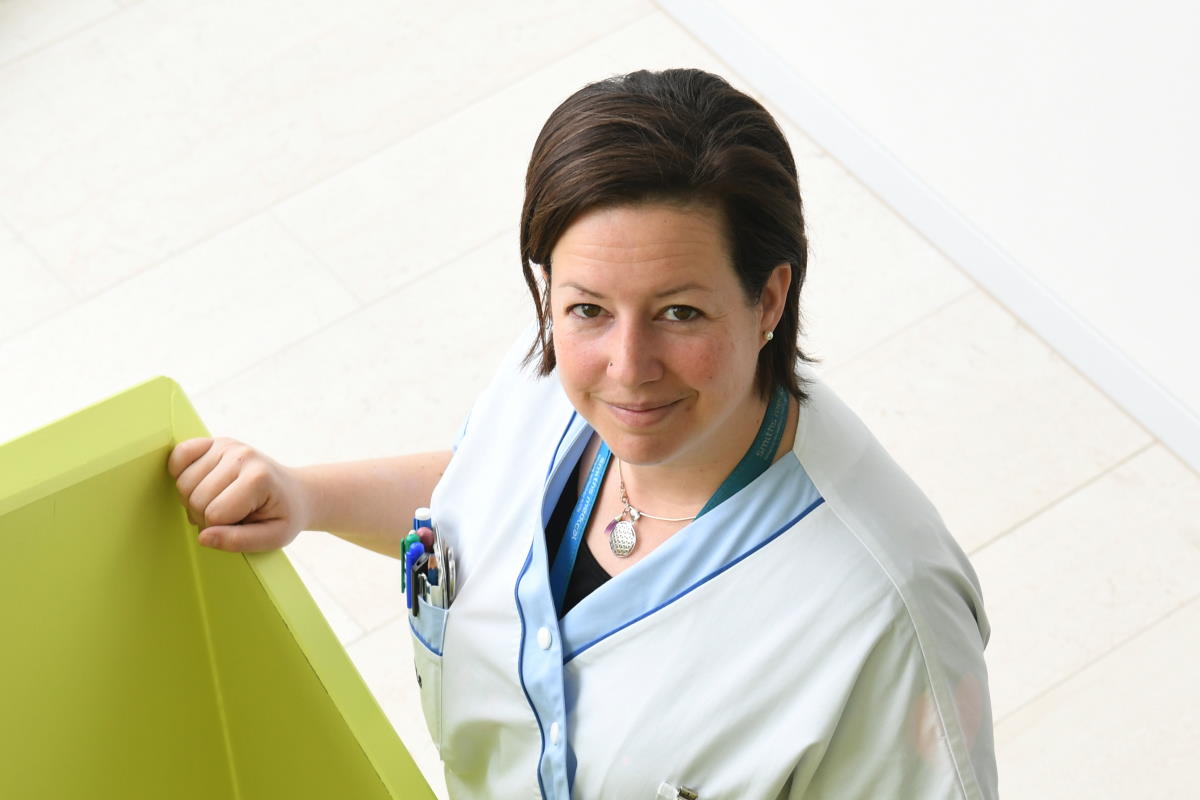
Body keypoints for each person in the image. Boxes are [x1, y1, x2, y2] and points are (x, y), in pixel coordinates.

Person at [168, 68, 998, 799]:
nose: (627, 367)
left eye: (680, 312)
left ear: (770, 299)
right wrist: (307, 497)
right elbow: (477, 500)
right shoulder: (555, 377)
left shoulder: (890, 620)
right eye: (587, 308)